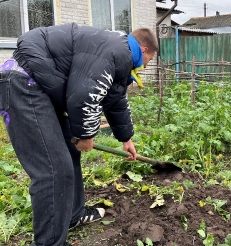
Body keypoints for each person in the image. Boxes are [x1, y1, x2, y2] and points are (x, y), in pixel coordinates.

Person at [0, 23, 158, 246]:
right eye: (149, 60)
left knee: (68, 151)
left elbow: (115, 100)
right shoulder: (117, 52)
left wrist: (126, 139)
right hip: (23, 81)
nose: (145, 66)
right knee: (54, 170)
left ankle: (73, 215)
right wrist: (86, 135)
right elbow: (83, 93)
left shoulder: (116, 53)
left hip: (38, 85)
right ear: (143, 50)